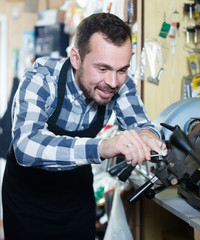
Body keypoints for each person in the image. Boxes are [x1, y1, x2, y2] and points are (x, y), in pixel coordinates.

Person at [2, 13, 166, 240]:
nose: (112, 82)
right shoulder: (41, 79)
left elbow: (141, 123)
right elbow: (26, 146)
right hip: (27, 201)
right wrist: (102, 147)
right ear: (76, 58)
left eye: (122, 70)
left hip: (76, 197)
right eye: (102, 69)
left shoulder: (119, 83)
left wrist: (147, 135)